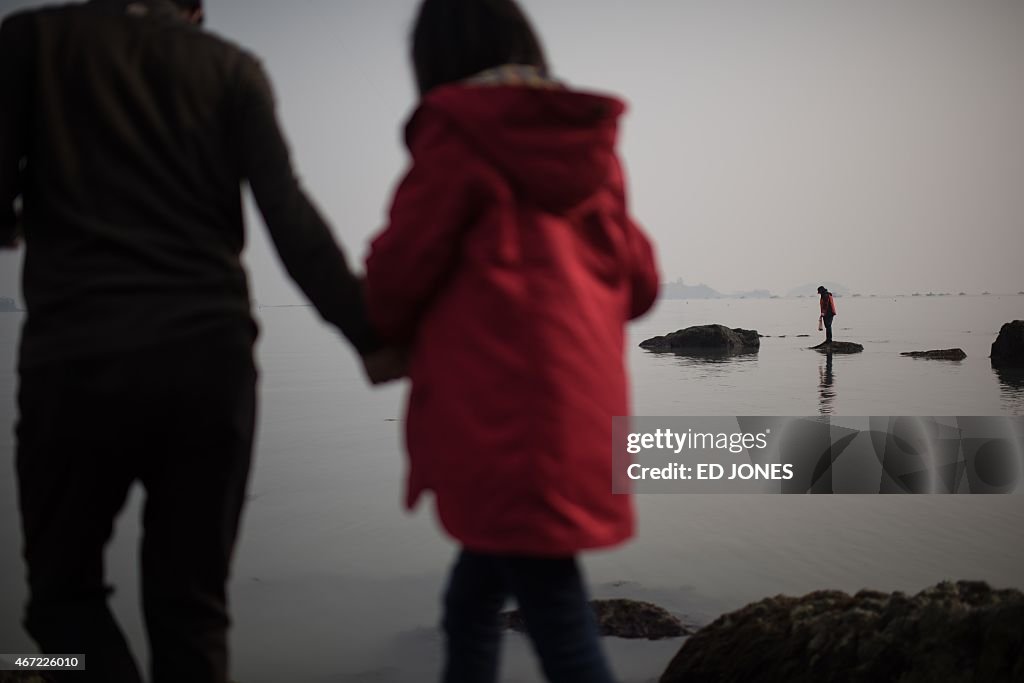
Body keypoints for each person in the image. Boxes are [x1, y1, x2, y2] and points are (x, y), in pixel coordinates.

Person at [0, 1, 396, 681]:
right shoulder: (232, 69)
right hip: (210, 362)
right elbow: (288, 213)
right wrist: (368, 334)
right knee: (192, 608)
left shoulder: (33, 39)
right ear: (194, 8)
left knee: (62, 600)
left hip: (79, 361)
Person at [363, 1, 660, 681]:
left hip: (503, 425)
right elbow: (641, 285)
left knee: (557, 620)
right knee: (472, 600)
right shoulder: (590, 154)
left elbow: (395, 281)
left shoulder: (458, 141)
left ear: (434, 63)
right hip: (577, 419)